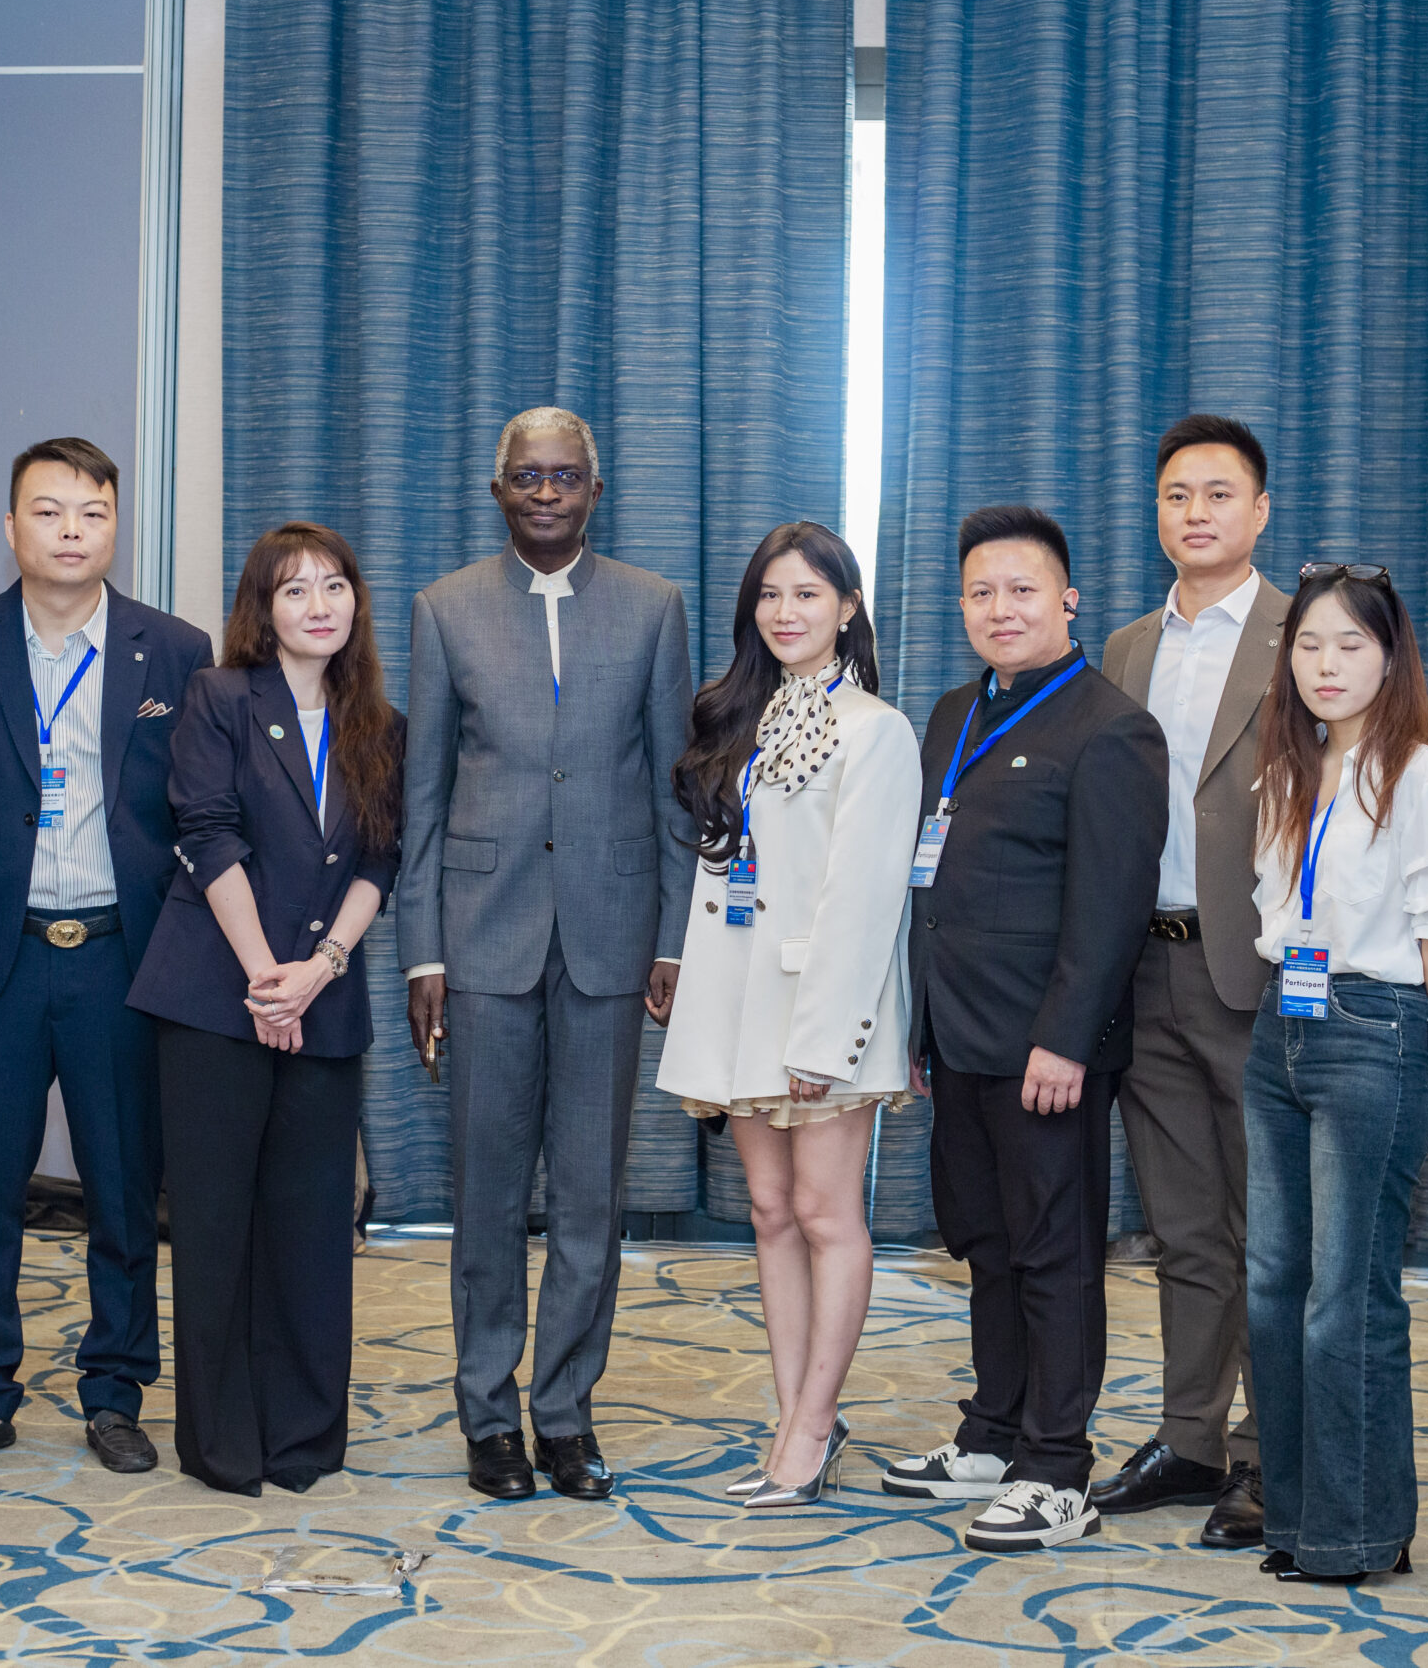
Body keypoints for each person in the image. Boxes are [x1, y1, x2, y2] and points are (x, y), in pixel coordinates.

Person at [399, 406, 696, 1502]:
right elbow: (424, 799)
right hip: (483, 943)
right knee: (484, 1197)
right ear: (498, 491)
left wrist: (674, 939)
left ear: (594, 491)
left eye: (564, 476)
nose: (545, 492)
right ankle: (488, 1417)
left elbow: (674, 791)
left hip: (611, 941)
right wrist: (422, 955)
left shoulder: (653, 607)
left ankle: (565, 1415)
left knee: (588, 1199)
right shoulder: (445, 609)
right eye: (526, 476)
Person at [0, 438, 214, 1476]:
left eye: (91, 513)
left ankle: (115, 1392)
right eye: (47, 512)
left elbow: (200, 811)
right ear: (11, 529)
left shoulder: (172, 649)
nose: (71, 531)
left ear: (115, 526)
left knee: (124, 1194)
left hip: (121, 960)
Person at [881, 506, 1168, 1553]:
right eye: (980, 592)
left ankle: (1057, 1467)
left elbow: (1112, 904)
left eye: (1021, 590)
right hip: (956, 1036)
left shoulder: (1111, 727)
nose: (999, 609)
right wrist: (919, 1024)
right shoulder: (956, 713)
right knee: (985, 1242)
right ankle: (993, 1434)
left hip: (1045, 1049)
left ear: (1067, 600)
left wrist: (1068, 1037)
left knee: (1055, 1254)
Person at [127, 522, 404, 1496]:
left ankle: (303, 1435)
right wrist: (263, 977)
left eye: (334, 586)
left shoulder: (381, 722)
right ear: (263, 607)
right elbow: (207, 835)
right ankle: (224, 1440)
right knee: (214, 1222)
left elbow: (379, 860)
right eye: (295, 590)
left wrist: (318, 970)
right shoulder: (219, 696)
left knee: (311, 1226)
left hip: (321, 1004)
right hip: (216, 998)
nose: (319, 605)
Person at [656, 521, 920, 1510]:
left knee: (823, 1212)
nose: (785, 611)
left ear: (847, 608)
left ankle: (810, 1431)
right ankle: (796, 1414)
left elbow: (863, 897)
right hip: (738, 1005)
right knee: (768, 1212)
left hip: (823, 1007)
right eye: (770, 594)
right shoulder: (738, 718)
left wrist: (823, 1040)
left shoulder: (876, 729)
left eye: (808, 593)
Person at [1243, 562, 1428, 1583]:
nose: (1326, 664)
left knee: (1346, 1295)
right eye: (1308, 644)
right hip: (1280, 1027)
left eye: (1350, 644)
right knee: (1273, 1286)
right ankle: (1296, 1517)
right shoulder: (1289, 768)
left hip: (1375, 1028)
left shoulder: (1421, 775)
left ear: (1391, 658)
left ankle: (1358, 1529)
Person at [1093, 416, 1289, 1548]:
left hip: (1255, 970)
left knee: (1269, 1224)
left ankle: (1271, 1449)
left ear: (1258, 511)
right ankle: (1191, 1436)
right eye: (1176, 495)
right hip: (1144, 966)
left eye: (1218, 494)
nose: (1196, 512)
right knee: (1181, 1225)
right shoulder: (1125, 649)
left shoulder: (1306, 637)